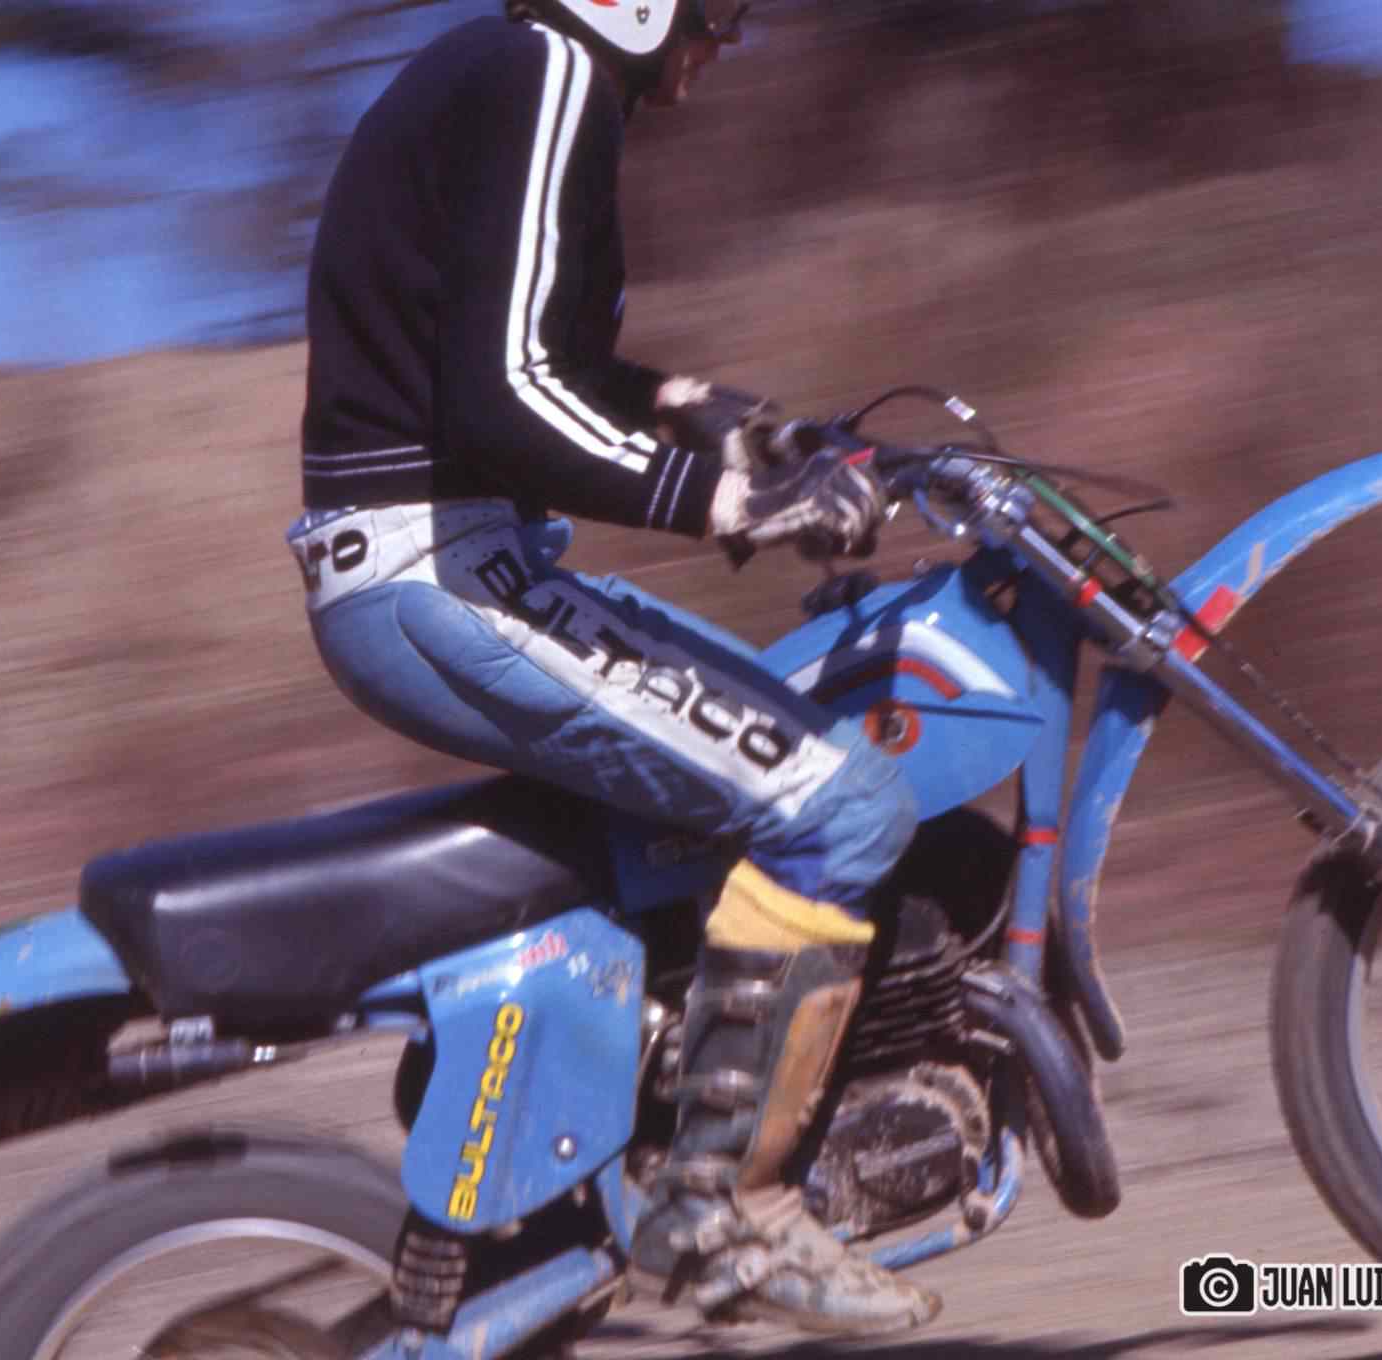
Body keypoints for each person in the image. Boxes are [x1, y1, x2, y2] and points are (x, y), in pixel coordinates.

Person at [288, 0, 937, 1336]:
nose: (728, 36)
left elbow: (544, 367)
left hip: (451, 561)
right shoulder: (543, 71)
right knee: (842, 805)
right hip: (442, 573)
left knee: (762, 777)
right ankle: (731, 1211)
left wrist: (714, 419)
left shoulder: (512, 77)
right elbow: (505, 400)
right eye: (719, 9)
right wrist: (731, 503)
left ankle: (646, 1127)